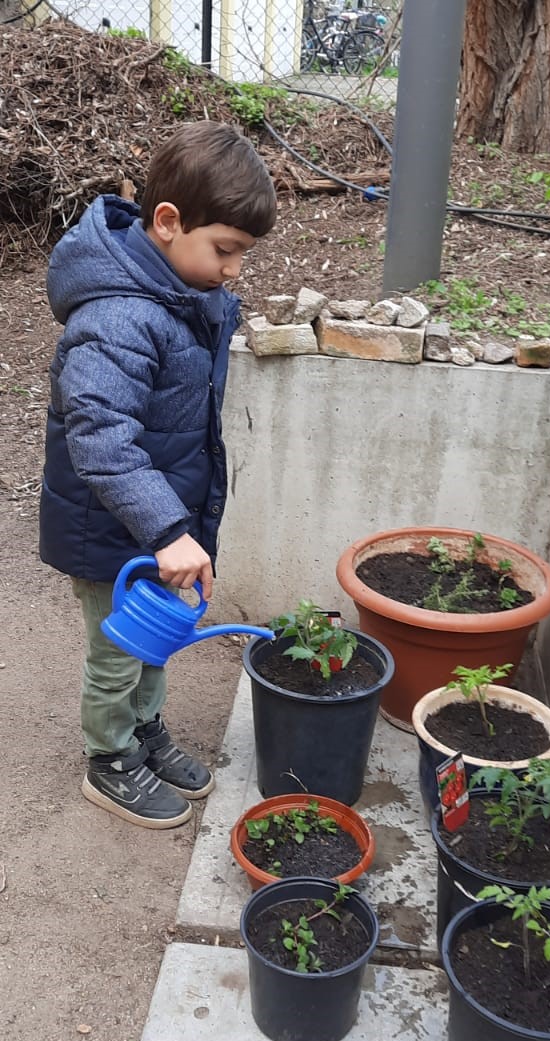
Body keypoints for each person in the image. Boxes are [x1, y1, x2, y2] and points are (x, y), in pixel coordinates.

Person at [39, 121, 277, 829]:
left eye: (243, 254)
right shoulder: (117, 316)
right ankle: (108, 758)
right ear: (168, 222)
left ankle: (143, 732)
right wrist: (170, 529)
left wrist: (174, 523)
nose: (234, 269)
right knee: (117, 652)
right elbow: (102, 440)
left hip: (153, 518)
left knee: (158, 638)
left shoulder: (178, 293)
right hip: (110, 524)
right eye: (226, 250)